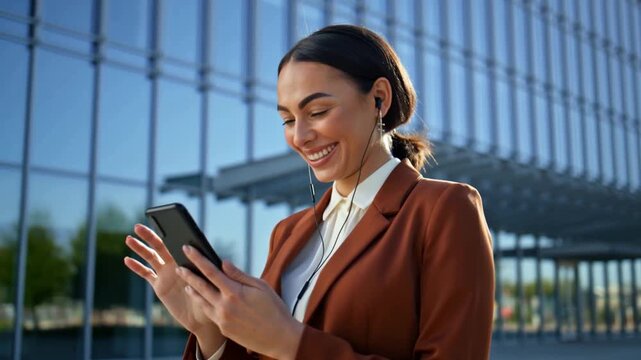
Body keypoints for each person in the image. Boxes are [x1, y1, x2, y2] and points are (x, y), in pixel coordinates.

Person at [124, 24, 495, 359]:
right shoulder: (288, 233)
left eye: (317, 111)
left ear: (379, 99)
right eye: (287, 119)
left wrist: (291, 343)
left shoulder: (444, 209)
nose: (299, 137)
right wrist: (211, 334)